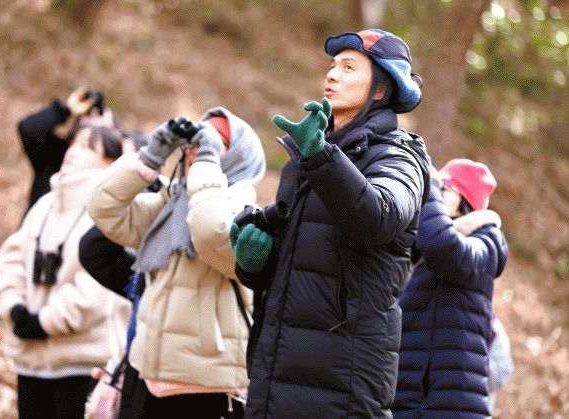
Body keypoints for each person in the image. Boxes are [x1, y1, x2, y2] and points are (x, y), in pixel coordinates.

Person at [229, 29, 431, 418]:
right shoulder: (305, 160)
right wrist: (254, 262)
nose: (332, 74)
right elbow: (296, 268)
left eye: (349, 67)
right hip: (274, 376)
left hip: (344, 386)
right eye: (333, 65)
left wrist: (321, 157)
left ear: (380, 90)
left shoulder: (399, 158)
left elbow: (379, 218)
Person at [87, 108, 266, 419]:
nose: (198, 149)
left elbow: (211, 231)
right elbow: (104, 209)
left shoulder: (246, 213)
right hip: (146, 371)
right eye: (196, 141)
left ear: (239, 156)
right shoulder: (171, 204)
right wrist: (150, 157)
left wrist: (206, 163)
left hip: (203, 386)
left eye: (216, 142)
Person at [0, 125, 132, 419]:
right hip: (31, 362)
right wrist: (15, 309)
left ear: (111, 163)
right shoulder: (45, 205)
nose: (73, 152)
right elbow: (10, 261)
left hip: (83, 366)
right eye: (74, 144)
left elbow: (98, 287)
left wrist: (45, 322)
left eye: (88, 147)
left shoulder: (114, 211)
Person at [392, 159, 509, 419]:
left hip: (455, 405)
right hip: (410, 402)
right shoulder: (420, 251)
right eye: (438, 186)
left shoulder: (488, 242)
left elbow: (445, 248)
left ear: (466, 199)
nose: (437, 191)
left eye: (445, 187)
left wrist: (430, 190)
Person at [17, 86, 143, 214]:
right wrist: (67, 110)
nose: (93, 129)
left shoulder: (115, 183)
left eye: (103, 130)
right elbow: (29, 129)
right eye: (78, 142)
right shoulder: (56, 158)